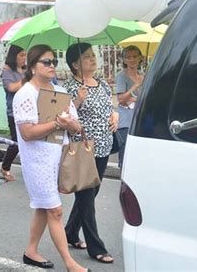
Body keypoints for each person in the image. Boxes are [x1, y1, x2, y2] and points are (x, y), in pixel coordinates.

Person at [12, 44, 89, 272]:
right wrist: (56, 123)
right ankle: (70, 263)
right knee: (54, 210)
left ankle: (31, 251)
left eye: (54, 61)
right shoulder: (25, 94)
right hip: (38, 162)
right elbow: (26, 133)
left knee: (43, 207)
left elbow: (77, 127)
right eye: (46, 62)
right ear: (33, 66)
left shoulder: (61, 92)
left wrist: (69, 124)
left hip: (59, 158)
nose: (52, 65)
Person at [63, 42, 118, 264]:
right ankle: (96, 247)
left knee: (90, 194)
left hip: (104, 145)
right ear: (75, 64)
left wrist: (115, 115)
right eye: (86, 57)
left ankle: (70, 231)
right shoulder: (69, 87)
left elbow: (110, 107)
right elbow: (64, 116)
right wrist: (78, 100)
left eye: (92, 55)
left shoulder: (103, 84)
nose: (93, 59)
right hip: (82, 147)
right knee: (86, 198)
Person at [0, 45, 26, 181]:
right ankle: (5, 167)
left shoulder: (26, 71)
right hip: (14, 112)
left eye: (25, 55)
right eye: (21, 55)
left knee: (28, 141)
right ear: (13, 56)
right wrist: (27, 77)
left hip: (28, 110)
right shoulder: (7, 72)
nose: (24, 58)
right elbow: (11, 87)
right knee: (16, 142)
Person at [115, 45, 144, 168]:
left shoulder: (143, 75)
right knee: (126, 156)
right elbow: (121, 99)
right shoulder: (122, 76)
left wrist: (134, 98)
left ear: (140, 58)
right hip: (126, 122)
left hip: (140, 119)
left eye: (134, 56)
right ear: (124, 60)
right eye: (128, 57)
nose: (132, 60)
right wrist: (136, 85)